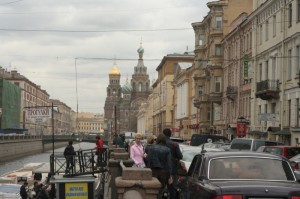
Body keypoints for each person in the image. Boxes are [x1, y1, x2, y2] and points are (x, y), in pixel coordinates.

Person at [163, 128, 183, 199]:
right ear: (170, 134)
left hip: (162, 169)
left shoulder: (160, 144)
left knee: (161, 188)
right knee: (173, 188)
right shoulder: (174, 144)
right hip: (172, 169)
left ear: (163, 134)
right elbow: (180, 156)